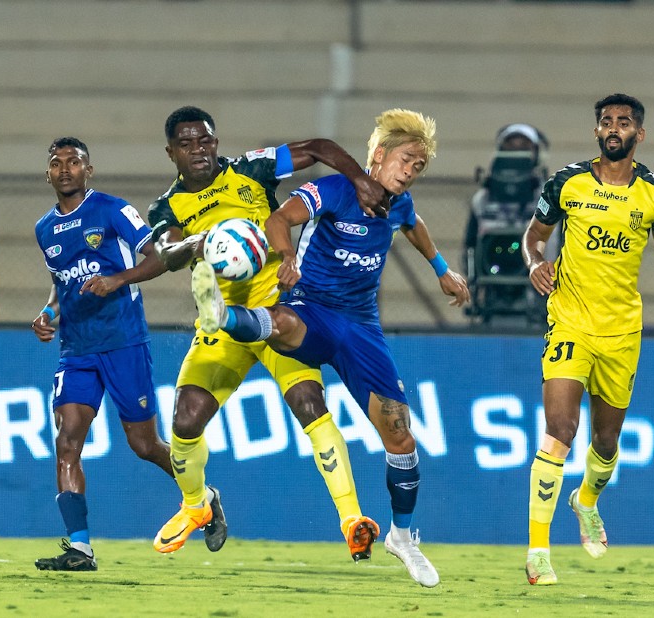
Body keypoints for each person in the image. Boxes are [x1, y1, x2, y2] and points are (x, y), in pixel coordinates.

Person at [194, 109, 470, 587]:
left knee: (401, 438)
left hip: (362, 327)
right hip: (312, 304)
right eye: (406, 160)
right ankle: (221, 315)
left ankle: (402, 537)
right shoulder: (337, 189)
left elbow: (415, 224)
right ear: (379, 156)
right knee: (280, 322)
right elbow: (283, 217)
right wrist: (284, 258)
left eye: (418, 167)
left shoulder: (399, 204)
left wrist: (442, 268)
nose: (409, 171)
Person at [148, 106, 389, 559]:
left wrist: (359, 178)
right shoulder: (166, 206)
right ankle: (198, 505)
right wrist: (198, 243)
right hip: (223, 318)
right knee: (185, 421)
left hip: (281, 311)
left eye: (205, 141)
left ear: (216, 143)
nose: (198, 150)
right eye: (187, 144)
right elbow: (167, 253)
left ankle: (353, 521)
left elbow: (319, 149)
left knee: (309, 404)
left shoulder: (251, 170)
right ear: (171, 153)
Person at [522, 94, 654, 585]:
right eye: (606, 122)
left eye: (623, 122)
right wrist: (535, 262)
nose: (613, 128)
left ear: (639, 134)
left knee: (606, 440)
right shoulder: (568, 183)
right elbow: (532, 235)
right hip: (570, 320)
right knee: (559, 430)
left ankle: (587, 501)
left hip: (622, 331)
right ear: (597, 132)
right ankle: (538, 552)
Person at [30, 137, 226, 570]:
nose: (65, 169)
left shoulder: (113, 210)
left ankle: (203, 495)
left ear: (88, 170)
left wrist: (117, 280)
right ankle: (80, 548)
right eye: (57, 163)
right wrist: (48, 311)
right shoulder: (44, 228)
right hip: (76, 350)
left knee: (143, 444)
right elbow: (61, 283)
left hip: (123, 343)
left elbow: (159, 258)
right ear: (48, 174)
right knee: (67, 443)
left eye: (74, 162)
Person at [463, 124, 550, 322]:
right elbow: (469, 247)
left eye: (524, 146)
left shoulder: (549, 198)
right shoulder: (483, 200)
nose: (517, 151)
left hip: (538, 290)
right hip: (493, 288)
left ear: (537, 153)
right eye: (511, 145)